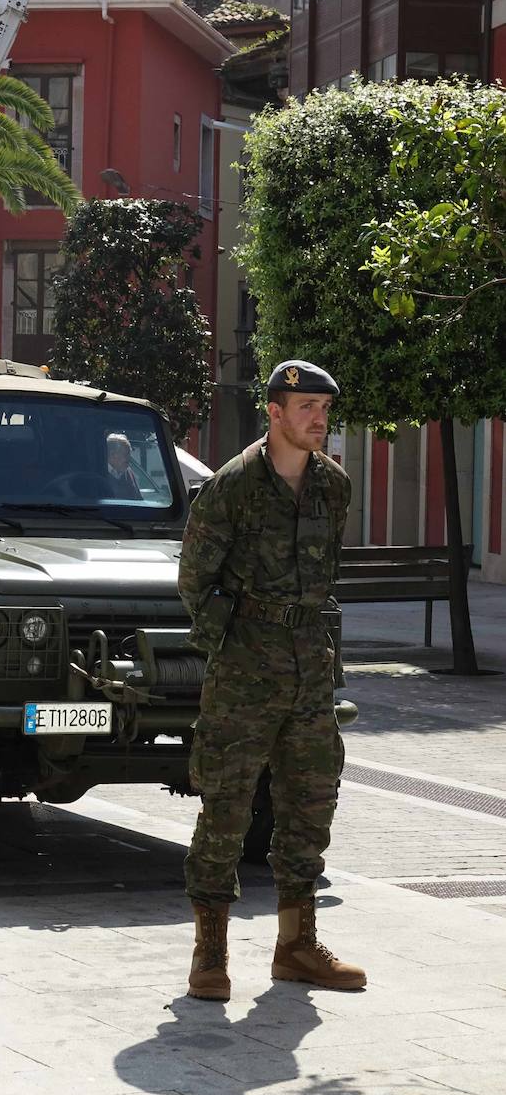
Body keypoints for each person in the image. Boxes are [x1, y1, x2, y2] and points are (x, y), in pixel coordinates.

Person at [179, 359, 365, 1000]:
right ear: (275, 412)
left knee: (310, 807)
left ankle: (297, 946)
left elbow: (323, 583)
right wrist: (230, 650)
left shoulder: (332, 488)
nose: (318, 419)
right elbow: (194, 580)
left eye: (324, 408)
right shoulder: (232, 486)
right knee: (226, 810)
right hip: (244, 675)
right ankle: (210, 952)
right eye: (305, 407)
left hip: (311, 673)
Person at [106, 433, 142, 499]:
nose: (129, 459)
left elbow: (138, 499)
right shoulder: (99, 473)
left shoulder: (129, 473)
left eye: (129, 454)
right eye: (125, 454)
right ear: (112, 454)